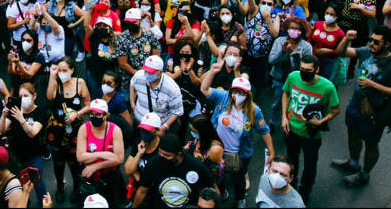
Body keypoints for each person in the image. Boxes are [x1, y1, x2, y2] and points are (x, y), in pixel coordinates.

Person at [332, 26, 391, 187]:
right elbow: (341, 52)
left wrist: (372, 84)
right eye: (371, 40)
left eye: (376, 42)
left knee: (371, 142)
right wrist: (346, 38)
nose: (371, 44)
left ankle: (364, 174)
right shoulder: (367, 52)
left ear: (387, 44)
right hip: (356, 104)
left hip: (375, 111)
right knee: (353, 133)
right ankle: (353, 162)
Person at [200, 67, 274, 207]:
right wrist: (213, 71)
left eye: (241, 92)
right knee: (216, 176)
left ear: (247, 94)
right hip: (217, 150)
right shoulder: (222, 97)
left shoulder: (254, 110)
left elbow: (264, 130)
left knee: (238, 179)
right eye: (234, 91)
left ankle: (240, 199)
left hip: (239, 155)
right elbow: (204, 89)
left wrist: (271, 151)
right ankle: (221, 193)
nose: (237, 95)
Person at [280, 54, 340, 202]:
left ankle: (305, 191)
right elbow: (286, 93)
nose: (303, 73)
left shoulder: (327, 87)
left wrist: (322, 122)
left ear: (317, 69)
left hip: (311, 134)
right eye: (301, 69)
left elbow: (336, 109)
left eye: (308, 70)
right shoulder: (293, 77)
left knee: (310, 165)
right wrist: (284, 117)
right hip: (291, 129)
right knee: (291, 160)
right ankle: (291, 185)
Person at [46, 56, 90, 203]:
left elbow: (88, 105)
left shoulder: (80, 83)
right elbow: (50, 96)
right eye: (59, 70)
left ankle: (77, 188)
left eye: (65, 70)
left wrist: (77, 114)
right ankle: (59, 187)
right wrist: (52, 77)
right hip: (57, 130)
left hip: (75, 130)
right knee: (58, 162)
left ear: (72, 70)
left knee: (74, 162)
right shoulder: (56, 82)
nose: (62, 73)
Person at [132, 133, 216, 208]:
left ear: (179, 154)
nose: (162, 156)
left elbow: (212, 190)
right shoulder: (153, 164)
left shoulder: (196, 166)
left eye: (167, 155)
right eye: (160, 153)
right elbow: (142, 191)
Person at [0, 82, 46, 205]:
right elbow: (1, 130)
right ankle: (25, 204)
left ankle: (43, 203)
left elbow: (33, 133)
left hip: (34, 156)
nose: (22, 99)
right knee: (20, 185)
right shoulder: (15, 111)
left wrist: (21, 119)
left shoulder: (39, 112)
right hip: (16, 157)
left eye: (26, 95)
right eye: (21, 96)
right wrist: (3, 116)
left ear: (34, 96)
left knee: (37, 183)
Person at [76, 98, 125, 206]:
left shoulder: (115, 130)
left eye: (98, 114)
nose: (94, 117)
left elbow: (119, 159)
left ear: (106, 115)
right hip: (89, 176)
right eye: (91, 114)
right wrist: (102, 154)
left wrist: (95, 166)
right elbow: (80, 156)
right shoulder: (84, 128)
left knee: (110, 201)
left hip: (109, 175)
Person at [129, 55, 183, 136]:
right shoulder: (139, 76)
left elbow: (177, 112)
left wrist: (164, 127)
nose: (146, 74)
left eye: (150, 72)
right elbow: (132, 84)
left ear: (160, 72)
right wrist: (132, 103)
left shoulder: (172, 88)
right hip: (139, 122)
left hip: (157, 129)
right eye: (145, 71)